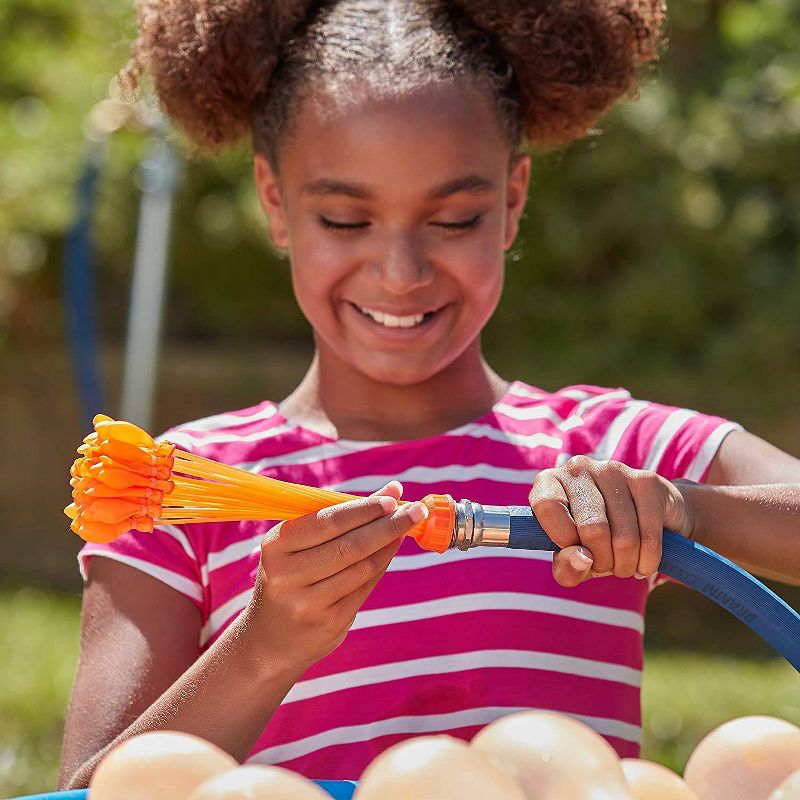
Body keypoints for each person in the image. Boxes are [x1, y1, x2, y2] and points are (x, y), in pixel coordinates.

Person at [59, 0, 800, 789]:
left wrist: (683, 511)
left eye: (454, 219)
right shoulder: (182, 490)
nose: (401, 271)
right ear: (275, 203)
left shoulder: (609, 450)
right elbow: (89, 787)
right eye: (345, 219)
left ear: (512, 203)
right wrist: (264, 647)